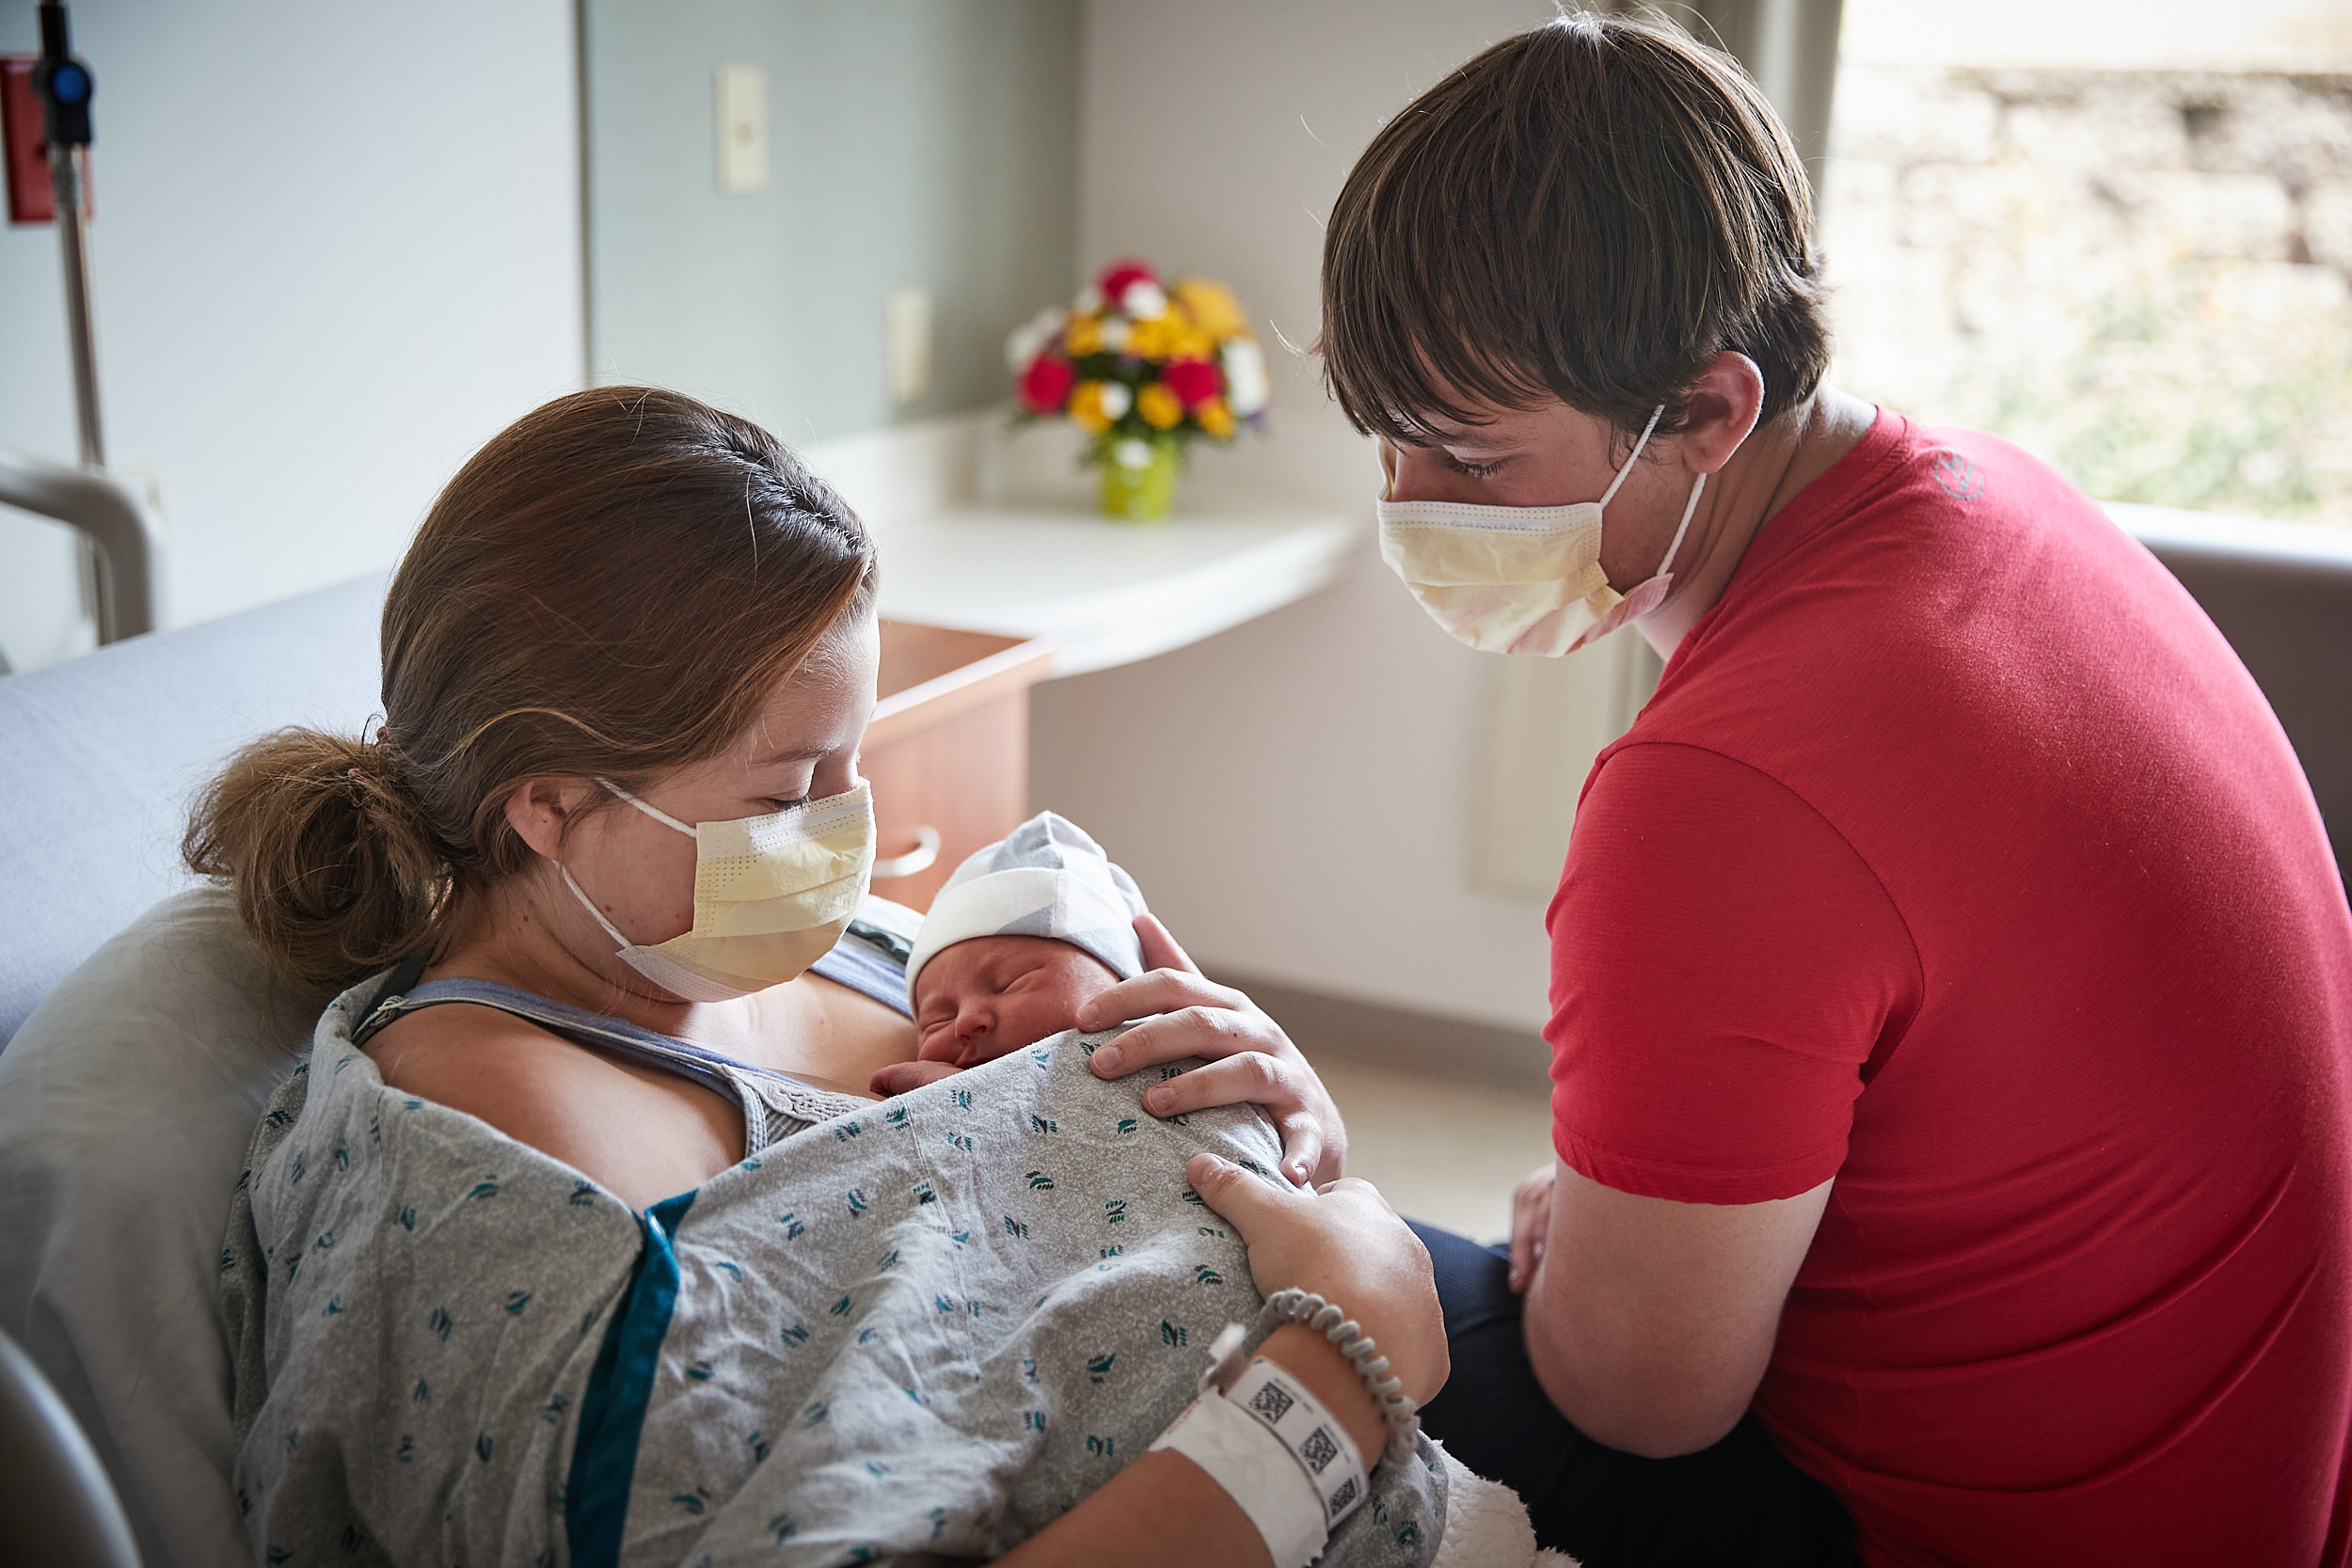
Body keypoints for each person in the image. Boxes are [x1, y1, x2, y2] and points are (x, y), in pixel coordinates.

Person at [1315, 12, 2352, 1567]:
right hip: (2247, 1478)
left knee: (1304, 1294)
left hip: (1954, 1529)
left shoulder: (1729, 784)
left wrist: (1541, 1245)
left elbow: (1635, 1394)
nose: (1408, 511)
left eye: (1469, 462)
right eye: (1383, 442)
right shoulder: (2001, 497)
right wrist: (1635, 1208)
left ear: (1712, 412)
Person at [186, 386, 1446, 1567]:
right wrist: (1339, 1372)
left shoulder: (789, 939)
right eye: (791, 791)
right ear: (545, 804)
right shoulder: (501, 1143)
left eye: (855, 757)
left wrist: (1273, 1109)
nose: (851, 823)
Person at [869, 810, 1149, 1096]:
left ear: (1124, 984)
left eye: (1010, 984)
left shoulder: (1174, 1060)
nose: (965, 1021)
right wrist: (948, 1099)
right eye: (939, 1018)